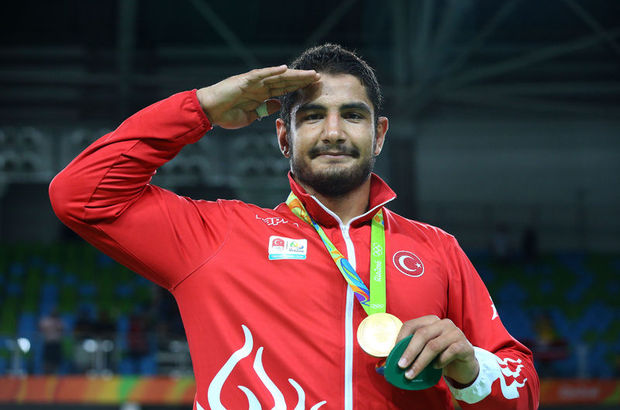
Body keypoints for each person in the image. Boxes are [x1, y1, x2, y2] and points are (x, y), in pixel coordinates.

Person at [50, 44, 539, 409]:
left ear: (379, 134)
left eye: (352, 115)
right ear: (284, 136)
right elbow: (81, 194)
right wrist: (202, 107)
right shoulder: (218, 236)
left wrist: (471, 369)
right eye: (313, 116)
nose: (333, 131)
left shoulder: (436, 249)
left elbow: (524, 391)